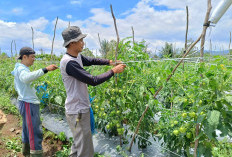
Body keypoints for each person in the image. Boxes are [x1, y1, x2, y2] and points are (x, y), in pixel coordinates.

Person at [60, 26, 126, 157]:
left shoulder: (76, 57)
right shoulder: (69, 63)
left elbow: (91, 60)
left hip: (78, 108)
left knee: (78, 144)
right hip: (77, 111)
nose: (83, 43)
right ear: (72, 43)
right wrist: (113, 71)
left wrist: (110, 62)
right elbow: (93, 80)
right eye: (80, 40)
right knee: (86, 150)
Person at [11, 47, 58, 157]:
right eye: (32, 57)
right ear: (24, 57)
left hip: (26, 102)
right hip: (28, 104)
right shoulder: (21, 69)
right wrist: (45, 69)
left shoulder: (21, 68)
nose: (34, 59)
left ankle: (27, 152)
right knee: (34, 131)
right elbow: (26, 78)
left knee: (28, 129)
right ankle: (35, 154)